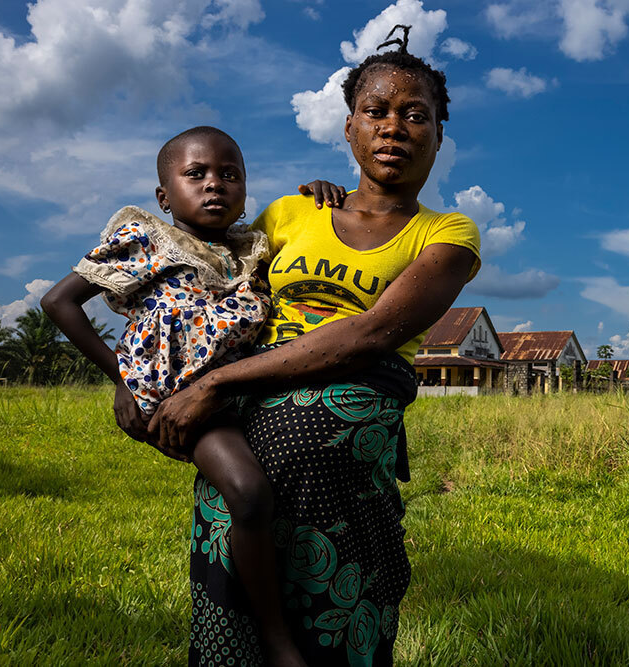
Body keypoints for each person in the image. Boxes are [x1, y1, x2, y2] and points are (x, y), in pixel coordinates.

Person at [148, 29, 481, 665]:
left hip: (352, 395)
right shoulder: (287, 213)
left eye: (417, 115)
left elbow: (373, 333)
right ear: (350, 128)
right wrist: (136, 375)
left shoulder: (447, 233)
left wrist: (215, 385)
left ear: (439, 135)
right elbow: (193, 287)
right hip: (252, 392)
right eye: (376, 111)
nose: (394, 128)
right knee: (236, 525)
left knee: (314, 474)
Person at [40, 126, 310, 667]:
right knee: (249, 494)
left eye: (230, 175)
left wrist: (322, 191)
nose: (215, 185)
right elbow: (58, 302)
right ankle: (277, 641)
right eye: (197, 175)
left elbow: (311, 227)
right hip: (179, 398)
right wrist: (122, 378)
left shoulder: (250, 250)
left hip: (239, 390)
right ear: (165, 197)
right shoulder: (148, 240)